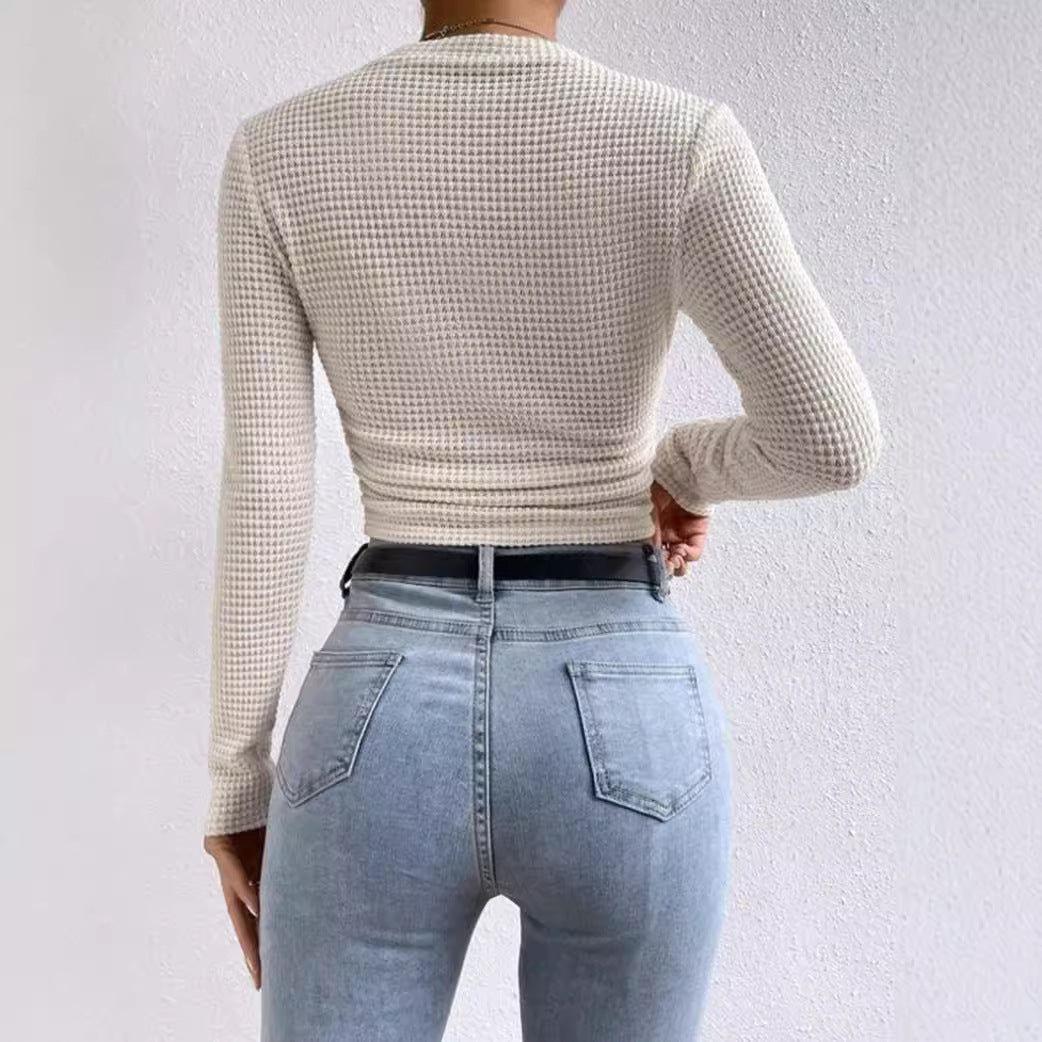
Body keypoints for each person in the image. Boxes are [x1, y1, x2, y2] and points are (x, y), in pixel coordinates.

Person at [201, 1, 883, 1038]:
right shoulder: (678, 140)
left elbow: (268, 481)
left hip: (379, 708)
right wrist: (676, 470)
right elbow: (830, 438)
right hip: (620, 700)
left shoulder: (279, 152)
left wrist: (235, 784)